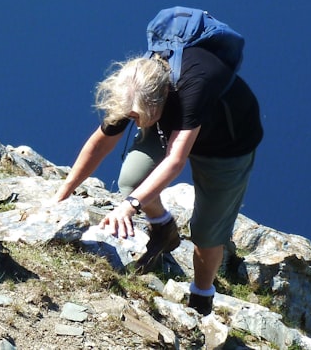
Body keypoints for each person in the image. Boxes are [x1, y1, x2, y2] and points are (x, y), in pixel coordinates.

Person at [53, 45, 263, 316]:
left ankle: (201, 297)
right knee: (133, 182)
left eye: (136, 117)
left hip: (227, 145)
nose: (135, 123)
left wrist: (129, 206)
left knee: (208, 232)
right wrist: (63, 192)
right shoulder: (137, 87)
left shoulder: (193, 89)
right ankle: (164, 230)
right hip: (167, 119)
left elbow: (175, 161)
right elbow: (100, 143)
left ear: (162, 96)